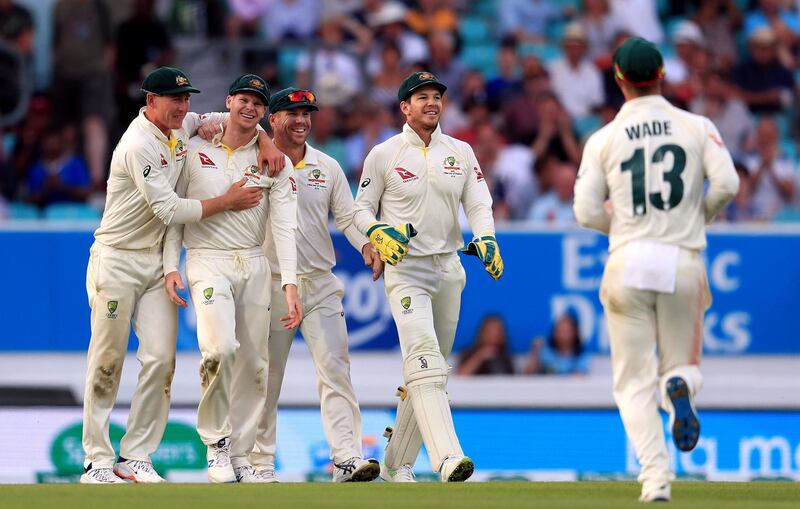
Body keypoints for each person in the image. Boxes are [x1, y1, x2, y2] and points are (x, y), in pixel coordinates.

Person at [81, 66, 285, 484]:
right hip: (117, 258)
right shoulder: (137, 145)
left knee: (160, 360)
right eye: (175, 100)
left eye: (187, 99)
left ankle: (136, 455)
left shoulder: (182, 125)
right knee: (107, 361)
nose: (184, 107)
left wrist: (265, 137)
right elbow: (172, 210)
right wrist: (226, 201)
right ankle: (96, 459)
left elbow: (233, 118)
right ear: (149, 101)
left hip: (158, 263)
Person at [573, 37, 739, 502]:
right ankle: (679, 384)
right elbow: (727, 183)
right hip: (680, 255)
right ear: (663, 75)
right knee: (680, 363)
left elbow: (585, 212)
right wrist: (694, 218)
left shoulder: (603, 138)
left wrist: (622, 228)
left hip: (628, 258)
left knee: (630, 381)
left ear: (619, 80)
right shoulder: (695, 125)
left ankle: (655, 478)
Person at [353, 71, 503, 483]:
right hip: (407, 270)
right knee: (423, 357)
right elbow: (359, 209)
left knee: (431, 368)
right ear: (405, 107)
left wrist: (486, 238)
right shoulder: (384, 154)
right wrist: (377, 231)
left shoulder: (461, 151)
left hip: (450, 267)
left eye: (437, 96)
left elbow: (479, 202)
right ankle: (447, 458)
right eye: (422, 97)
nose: (432, 103)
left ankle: (396, 462)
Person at [162, 74, 301, 483]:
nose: (251, 107)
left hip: (255, 264)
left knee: (255, 366)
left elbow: (285, 228)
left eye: (259, 103)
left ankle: (241, 452)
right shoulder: (195, 145)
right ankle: (216, 443)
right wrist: (172, 265)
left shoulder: (275, 161)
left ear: (265, 112)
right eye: (244, 99)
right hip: (207, 259)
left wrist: (289, 285)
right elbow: (176, 211)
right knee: (219, 349)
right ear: (229, 101)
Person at [249, 87, 384, 483]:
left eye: (307, 114)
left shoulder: (327, 166)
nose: (302, 121)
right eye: (293, 114)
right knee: (266, 376)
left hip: (321, 283)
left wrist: (366, 245)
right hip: (272, 284)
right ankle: (259, 464)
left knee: (336, 370)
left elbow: (347, 216)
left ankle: (346, 458)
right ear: (272, 119)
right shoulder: (255, 163)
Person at [522, 313, 590, 375]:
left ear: (575, 333)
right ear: (554, 332)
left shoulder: (582, 355)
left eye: (567, 331)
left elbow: (580, 376)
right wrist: (535, 352)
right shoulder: (545, 352)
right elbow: (527, 374)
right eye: (560, 331)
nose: (563, 335)